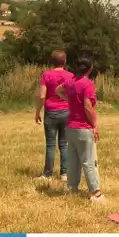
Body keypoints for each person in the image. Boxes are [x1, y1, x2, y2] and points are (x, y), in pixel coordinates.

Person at [56, 57, 105, 202]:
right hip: (83, 128)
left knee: (73, 160)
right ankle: (96, 193)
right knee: (89, 161)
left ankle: (72, 187)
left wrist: (69, 100)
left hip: (70, 128)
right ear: (90, 69)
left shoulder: (70, 81)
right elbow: (87, 107)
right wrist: (95, 124)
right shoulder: (87, 84)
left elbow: (58, 90)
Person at [35, 50, 73, 181]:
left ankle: (47, 174)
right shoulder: (70, 76)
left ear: (52, 61)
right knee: (64, 144)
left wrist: (37, 112)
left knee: (50, 144)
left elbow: (41, 96)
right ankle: (65, 174)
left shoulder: (46, 75)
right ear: (65, 61)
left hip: (51, 112)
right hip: (67, 112)